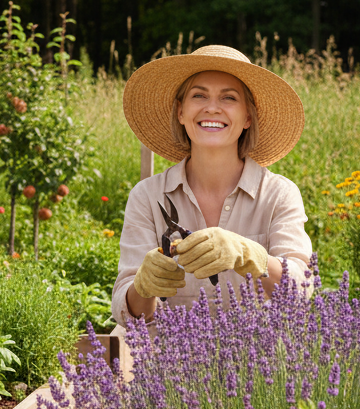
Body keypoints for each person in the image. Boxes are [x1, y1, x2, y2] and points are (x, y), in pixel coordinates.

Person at [112, 44, 312, 323]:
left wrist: (250, 255)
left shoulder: (279, 195)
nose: (212, 108)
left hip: (256, 361)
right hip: (169, 362)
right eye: (199, 95)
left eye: (229, 98)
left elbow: (301, 292)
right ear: (181, 112)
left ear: (247, 117)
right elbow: (129, 316)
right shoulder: (147, 196)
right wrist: (143, 286)